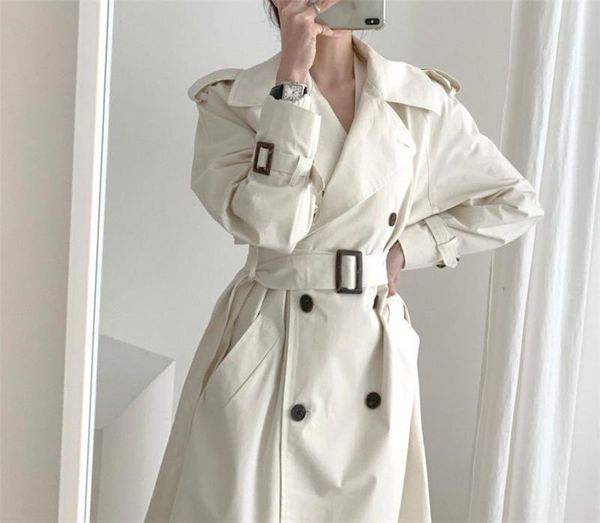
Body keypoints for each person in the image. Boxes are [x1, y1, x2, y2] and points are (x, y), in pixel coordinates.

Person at [145, 0, 545, 521]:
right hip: (269, 344)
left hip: (367, 350)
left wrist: (407, 248)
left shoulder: (418, 99)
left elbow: (514, 203)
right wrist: (290, 85)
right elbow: (272, 226)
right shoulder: (232, 100)